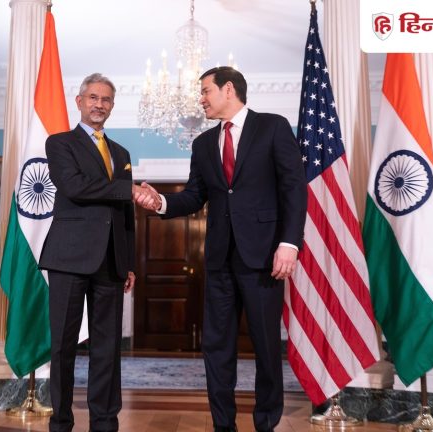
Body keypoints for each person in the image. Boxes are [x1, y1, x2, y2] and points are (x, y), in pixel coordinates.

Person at [137, 66, 307, 432]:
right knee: (216, 348)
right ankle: (223, 426)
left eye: (205, 91)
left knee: (266, 346)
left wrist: (289, 243)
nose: (200, 99)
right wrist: (160, 203)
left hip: (264, 258)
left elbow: (294, 188)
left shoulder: (272, 127)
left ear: (228, 89)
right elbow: (194, 196)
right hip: (218, 261)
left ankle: (266, 424)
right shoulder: (203, 144)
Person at [38, 72, 156, 432]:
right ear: (80, 101)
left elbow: (125, 214)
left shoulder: (121, 153)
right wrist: (127, 189)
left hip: (111, 262)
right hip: (68, 259)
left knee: (108, 348)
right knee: (63, 346)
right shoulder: (60, 144)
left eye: (105, 100)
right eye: (93, 98)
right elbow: (74, 186)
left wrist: (128, 262)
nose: (99, 105)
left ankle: (105, 423)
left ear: (112, 106)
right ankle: (61, 422)